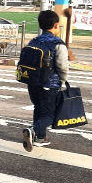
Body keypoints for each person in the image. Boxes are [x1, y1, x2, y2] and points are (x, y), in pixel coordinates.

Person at [22, 10, 69, 152]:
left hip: (33, 82)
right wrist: (63, 81)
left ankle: (40, 137)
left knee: (38, 107)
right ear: (56, 25)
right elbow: (62, 66)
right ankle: (33, 130)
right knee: (50, 114)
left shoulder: (34, 41)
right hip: (49, 84)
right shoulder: (58, 44)